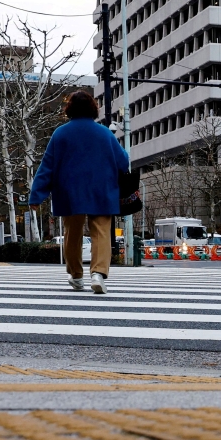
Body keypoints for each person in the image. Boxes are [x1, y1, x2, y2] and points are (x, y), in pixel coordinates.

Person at [29, 91, 130, 294]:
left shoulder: (61, 134)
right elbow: (123, 161)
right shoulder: (105, 134)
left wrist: (36, 195)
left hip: (70, 191)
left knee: (72, 234)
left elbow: (47, 167)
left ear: (70, 109)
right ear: (93, 108)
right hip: (101, 189)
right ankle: (98, 273)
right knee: (101, 232)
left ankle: (76, 275)